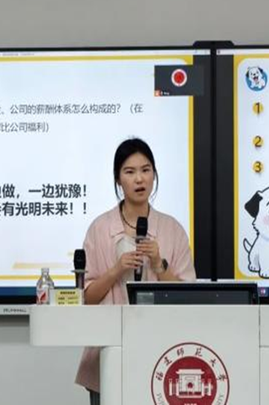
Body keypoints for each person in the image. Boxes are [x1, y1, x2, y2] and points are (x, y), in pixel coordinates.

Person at [75, 138, 196, 404]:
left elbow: (187, 297)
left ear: (154, 174)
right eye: (129, 172)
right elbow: (86, 298)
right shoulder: (100, 228)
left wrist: (159, 265)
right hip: (108, 352)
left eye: (146, 170)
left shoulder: (172, 229)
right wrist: (116, 270)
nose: (139, 179)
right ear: (118, 180)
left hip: (160, 353)